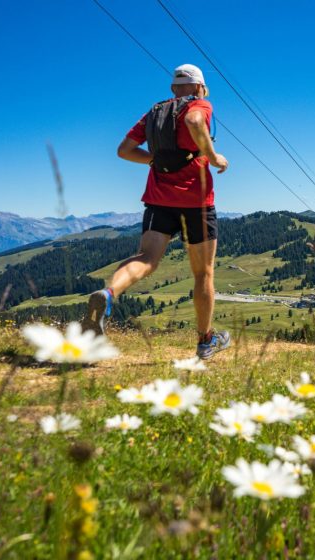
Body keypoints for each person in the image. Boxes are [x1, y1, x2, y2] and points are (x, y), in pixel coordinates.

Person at [81, 64, 230, 359]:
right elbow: (196, 120)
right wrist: (213, 157)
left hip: (159, 200)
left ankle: (109, 295)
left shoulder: (155, 113)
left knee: (146, 259)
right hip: (197, 202)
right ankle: (205, 341)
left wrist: (156, 160)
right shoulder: (200, 104)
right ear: (199, 87)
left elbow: (124, 150)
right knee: (203, 274)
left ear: (174, 88)